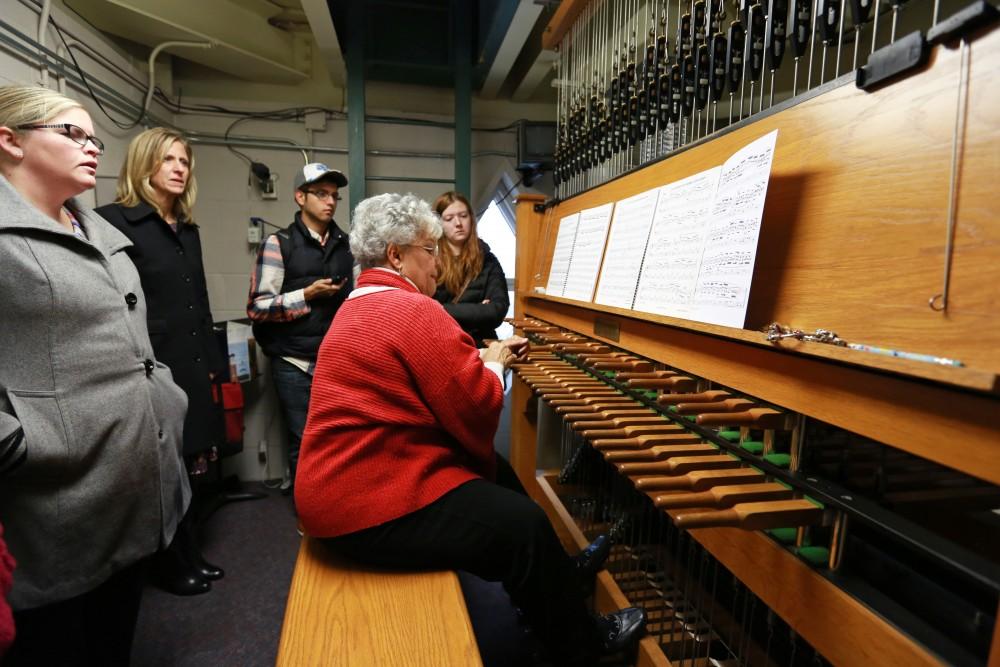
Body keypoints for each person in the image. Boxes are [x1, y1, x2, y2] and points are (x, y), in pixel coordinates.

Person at [295, 193, 646, 667]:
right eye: (429, 251)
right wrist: (495, 361)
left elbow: (420, 376)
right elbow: (479, 410)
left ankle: (560, 576)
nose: (438, 266)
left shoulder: (360, 305)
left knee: (496, 474)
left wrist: (473, 359)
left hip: (343, 484)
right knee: (524, 527)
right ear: (396, 256)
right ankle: (583, 646)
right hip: (361, 505)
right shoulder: (412, 310)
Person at [0, 85, 189, 665]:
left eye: (94, 138)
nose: (92, 148)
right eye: (72, 133)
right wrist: (24, 443)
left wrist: (168, 399)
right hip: (55, 495)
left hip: (130, 477)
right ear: (10, 141)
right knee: (58, 646)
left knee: (113, 641)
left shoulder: (100, 232)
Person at [96, 128, 226, 596]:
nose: (178, 168)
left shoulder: (187, 229)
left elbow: (200, 297)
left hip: (192, 360)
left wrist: (215, 361)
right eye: (167, 159)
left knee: (191, 460)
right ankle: (170, 563)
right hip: (150, 361)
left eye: (184, 161)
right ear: (144, 164)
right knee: (162, 467)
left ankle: (189, 551)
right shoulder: (112, 222)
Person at [247, 163, 352, 495]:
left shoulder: (347, 245)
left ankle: (335, 509)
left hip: (335, 361)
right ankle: (306, 512)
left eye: (334, 195)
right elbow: (257, 307)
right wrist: (306, 294)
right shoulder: (278, 244)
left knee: (339, 441)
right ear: (300, 197)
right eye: (321, 194)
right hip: (294, 362)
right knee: (304, 441)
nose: (330, 202)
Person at [432, 191, 510, 347]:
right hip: (442, 345)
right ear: (439, 223)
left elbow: (496, 312)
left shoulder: (488, 260)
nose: (458, 223)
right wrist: (480, 310)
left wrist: (441, 308)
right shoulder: (430, 260)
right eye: (449, 218)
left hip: (480, 345)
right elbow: (425, 311)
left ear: (471, 220)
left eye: (463, 216)